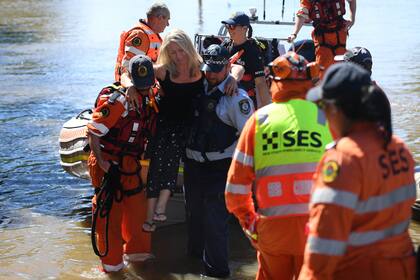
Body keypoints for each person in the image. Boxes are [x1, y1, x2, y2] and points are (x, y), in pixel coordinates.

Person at [299, 63, 416, 280]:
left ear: (336, 109)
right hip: (402, 269)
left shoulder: (344, 160)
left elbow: (323, 245)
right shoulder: (399, 148)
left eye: (322, 107)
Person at [225, 52, 332, 280]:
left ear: (274, 81)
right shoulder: (327, 118)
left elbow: (235, 191)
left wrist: (252, 226)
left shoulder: (259, 120)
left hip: (272, 229)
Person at [184, 44, 254, 278]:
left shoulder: (237, 99)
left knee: (215, 223)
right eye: (208, 69)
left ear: (226, 68)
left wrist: (246, 176)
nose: (211, 74)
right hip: (193, 166)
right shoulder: (197, 86)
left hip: (220, 168)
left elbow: (248, 138)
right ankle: (193, 266)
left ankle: (217, 273)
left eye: (216, 70)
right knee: (194, 217)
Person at [87, 55, 157, 272]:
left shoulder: (151, 96)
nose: (145, 90)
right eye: (141, 87)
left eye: (148, 86)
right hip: (109, 163)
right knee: (109, 218)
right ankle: (112, 267)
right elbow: (93, 132)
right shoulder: (118, 101)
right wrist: (101, 161)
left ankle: (138, 261)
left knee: (139, 215)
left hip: (131, 164)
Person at [139, 29, 205, 232]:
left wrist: (231, 79)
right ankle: (151, 217)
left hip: (189, 126)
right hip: (165, 124)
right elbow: (136, 68)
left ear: (189, 49)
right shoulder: (163, 70)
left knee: (172, 156)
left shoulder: (201, 69)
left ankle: (160, 208)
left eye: (181, 51)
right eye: (173, 52)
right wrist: (133, 86)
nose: (178, 56)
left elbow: (232, 69)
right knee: (157, 165)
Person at [288, 0, 357, 74]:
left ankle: (340, 83)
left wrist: (352, 19)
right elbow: (302, 14)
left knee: (340, 64)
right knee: (322, 65)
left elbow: (352, 1)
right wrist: (294, 34)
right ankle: (321, 83)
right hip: (322, 35)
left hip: (340, 33)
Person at [221, 12, 272, 108]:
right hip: (223, 98)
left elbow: (261, 83)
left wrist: (267, 112)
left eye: (232, 26)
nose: (228, 29)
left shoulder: (252, 52)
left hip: (244, 102)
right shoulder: (225, 45)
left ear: (245, 28)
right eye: (227, 26)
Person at [115, 2, 170, 83]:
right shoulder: (140, 35)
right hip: (137, 86)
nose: (168, 24)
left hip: (148, 85)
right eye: (167, 20)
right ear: (160, 18)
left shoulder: (152, 34)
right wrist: (130, 88)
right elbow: (127, 67)